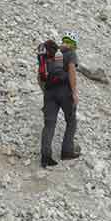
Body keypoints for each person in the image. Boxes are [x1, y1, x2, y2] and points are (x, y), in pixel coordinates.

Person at [39, 35, 80, 167]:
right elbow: (72, 72)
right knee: (71, 120)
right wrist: (74, 92)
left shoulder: (49, 55)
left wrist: (46, 92)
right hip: (64, 91)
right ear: (72, 44)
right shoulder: (70, 53)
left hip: (49, 92)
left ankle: (45, 157)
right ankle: (67, 152)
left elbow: (40, 76)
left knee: (49, 124)